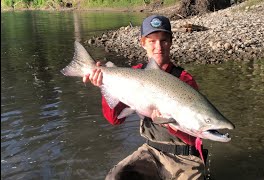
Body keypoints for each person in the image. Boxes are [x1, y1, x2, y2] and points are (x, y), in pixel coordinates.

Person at [83, 15, 207, 180]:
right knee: (115, 177)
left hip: (184, 158)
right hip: (150, 152)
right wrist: (103, 85)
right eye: (152, 41)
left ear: (171, 42)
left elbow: (193, 137)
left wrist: (168, 122)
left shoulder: (184, 79)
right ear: (143, 43)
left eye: (163, 40)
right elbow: (115, 119)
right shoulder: (134, 74)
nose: (159, 47)